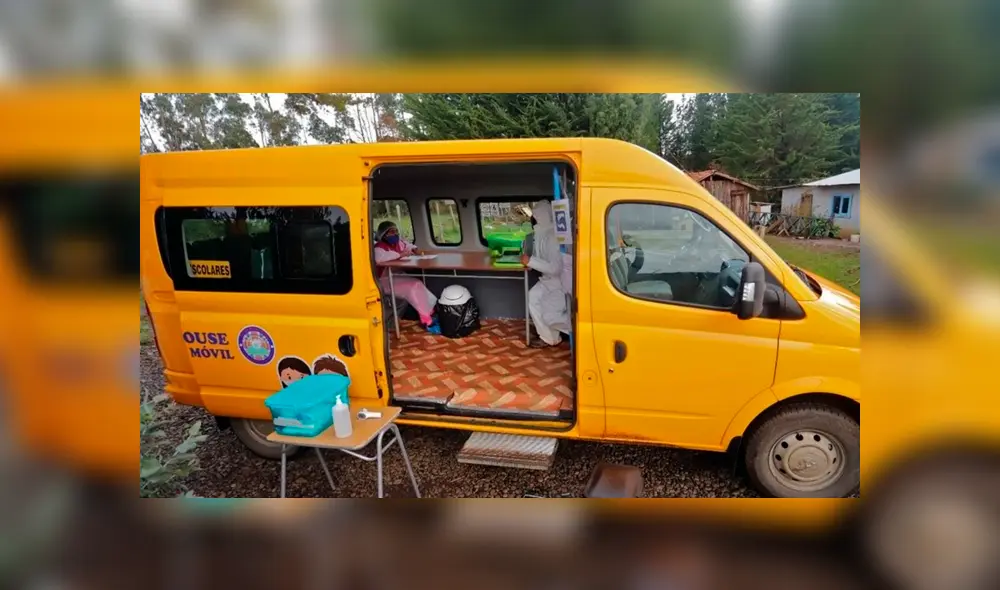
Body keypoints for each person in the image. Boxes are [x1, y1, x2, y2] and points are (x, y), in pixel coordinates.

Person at [374, 221, 440, 333]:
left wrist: (414, 249)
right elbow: (379, 258)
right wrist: (400, 255)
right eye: (391, 232)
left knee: (417, 283)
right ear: (383, 234)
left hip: (395, 275)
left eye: (396, 231)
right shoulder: (379, 248)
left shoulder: (397, 243)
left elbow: (407, 245)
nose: (395, 234)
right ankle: (427, 320)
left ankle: (430, 313)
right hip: (382, 280)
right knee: (413, 285)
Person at [521, 200, 570, 348]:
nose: (534, 218)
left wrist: (530, 261)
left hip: (560, 283)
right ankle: (549, 338)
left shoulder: (554, 237)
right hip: (547, 280)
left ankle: (578, 330)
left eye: (536, 215)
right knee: (533, 297)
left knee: (551, 316)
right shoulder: (542, 233)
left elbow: (555, 268)